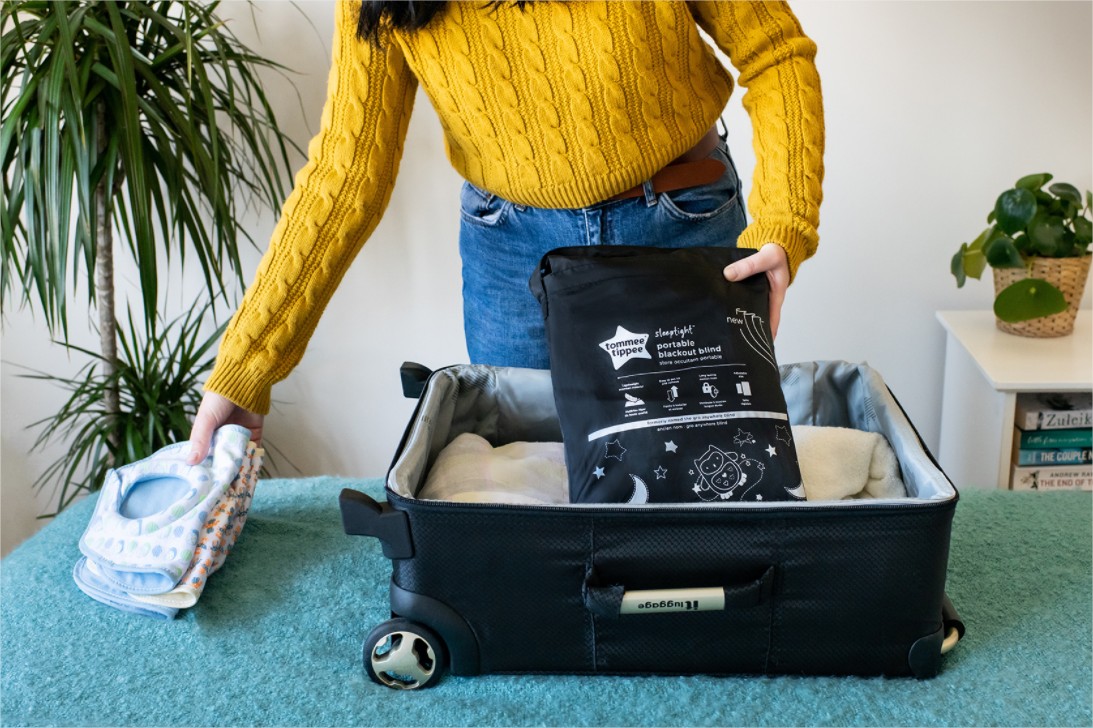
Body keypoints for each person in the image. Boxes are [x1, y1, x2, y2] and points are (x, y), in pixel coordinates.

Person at [187, 0, 824, 464]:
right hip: (510, 254)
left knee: (706, 470)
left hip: (680, 215)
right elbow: (347, 172)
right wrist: (246, 367)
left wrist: (785, 218)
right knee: (534, 481)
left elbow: (775, 53)